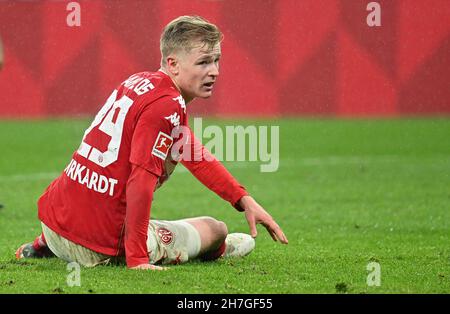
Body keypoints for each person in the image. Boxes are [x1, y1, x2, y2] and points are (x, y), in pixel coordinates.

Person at [16, 16, 288, 270]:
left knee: (92, 193)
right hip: (95, 247)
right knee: (216, 229)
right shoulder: (167, 104)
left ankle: (41, 246)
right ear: (173, 64)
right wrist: (136, 258)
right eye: (204, 62)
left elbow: (193, 153)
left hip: (54, 223)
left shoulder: (139, 81)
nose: (214, 71)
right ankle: (215, 250)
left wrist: (243, 199)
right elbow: (140, 182)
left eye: (217, 60)